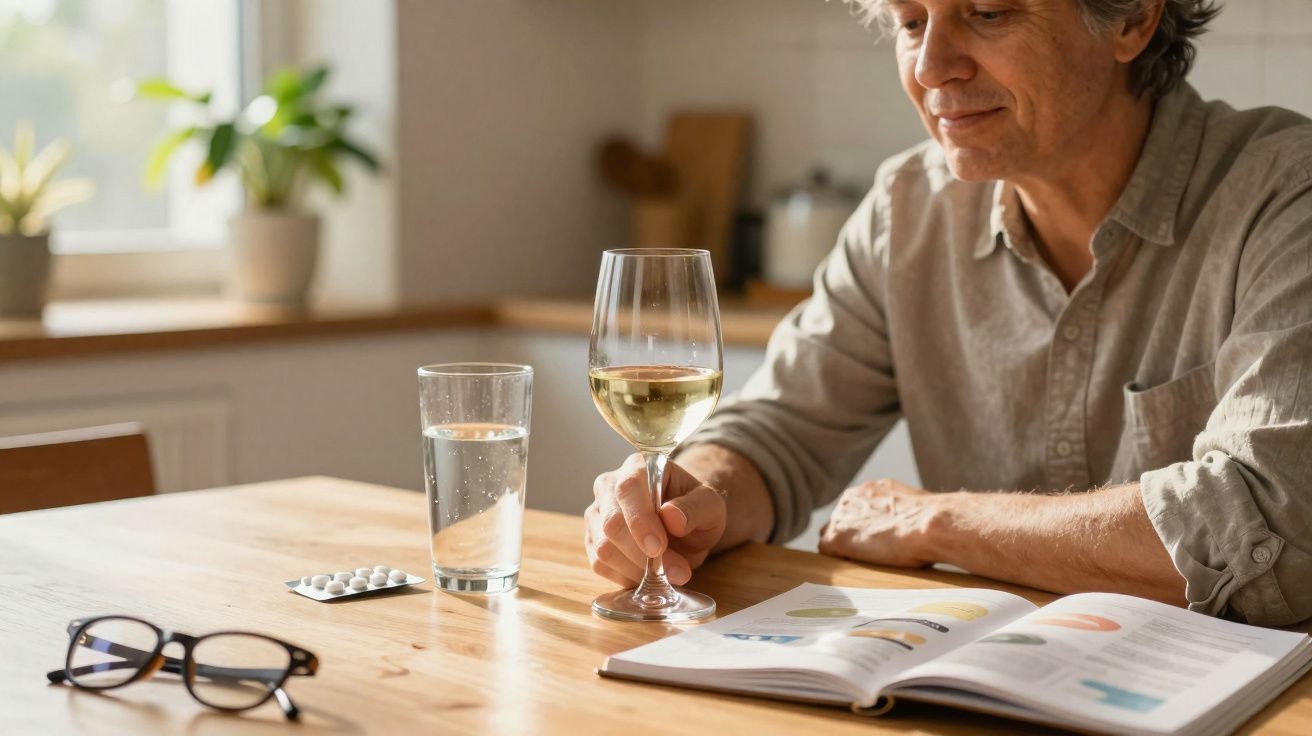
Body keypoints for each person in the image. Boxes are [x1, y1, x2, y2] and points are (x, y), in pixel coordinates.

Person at [583, 0, 1312, 626]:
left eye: (987, 12)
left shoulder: (1285, 196)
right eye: (909, 21)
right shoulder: (907, 208)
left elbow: (1272, 526)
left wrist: (939, 521)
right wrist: (695, 495)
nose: (932, 67)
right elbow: (779, 432)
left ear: (1134, 17)